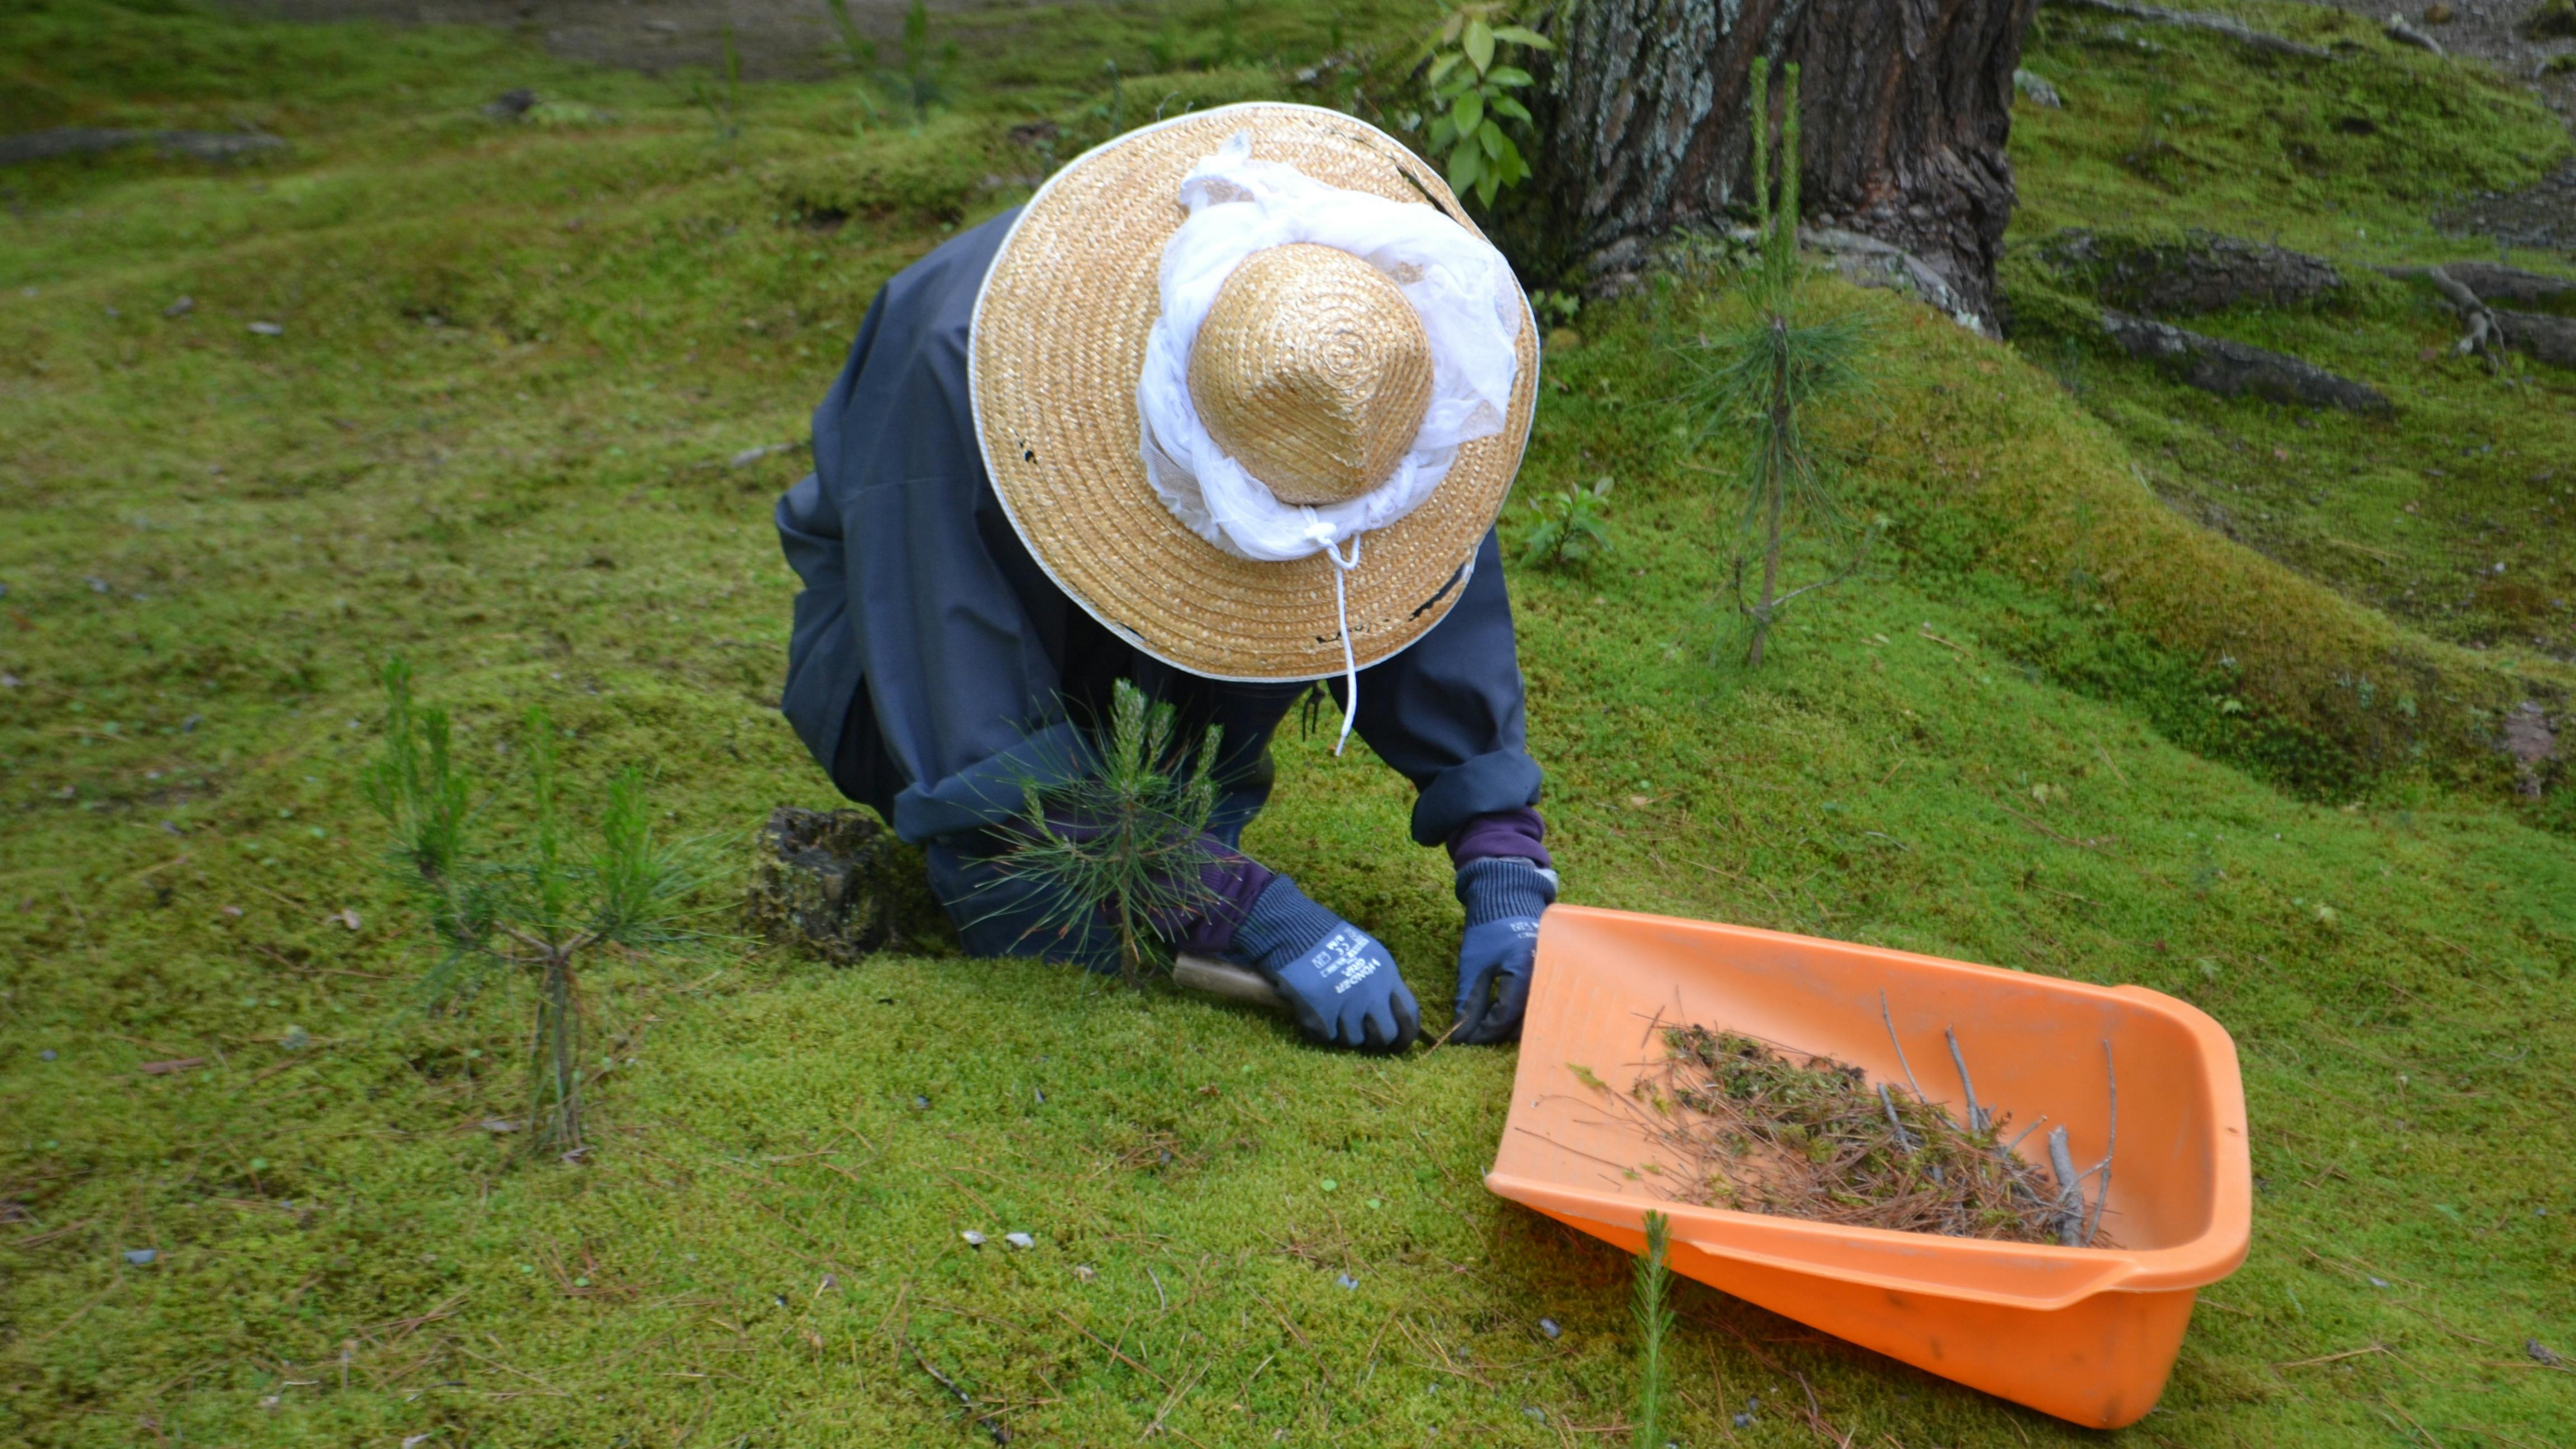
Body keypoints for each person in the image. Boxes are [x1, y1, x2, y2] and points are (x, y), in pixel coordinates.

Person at [775, 104, 1557, 1053]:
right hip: (911, 625)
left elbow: (1405, 560)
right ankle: (1158, 868)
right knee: (1027, 890)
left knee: (1198, 783)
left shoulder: (1355, 316)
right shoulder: (958, 369)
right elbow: (965, 721)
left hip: (1087, 622)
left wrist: (1503, 857)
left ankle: (1174, 839)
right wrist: (1253, 911)